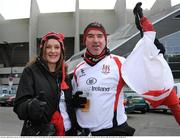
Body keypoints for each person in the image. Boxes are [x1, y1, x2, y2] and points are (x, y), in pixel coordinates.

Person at [71, 4, 180, 136]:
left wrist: (151, 44)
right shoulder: (78, 69)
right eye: (90, 36)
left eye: (100, 36)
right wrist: (73, 102)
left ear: (105, 40)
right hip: (83, 133)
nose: (96, 40)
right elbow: (74, 100)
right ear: (85, 41)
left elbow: (149, 70)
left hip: (113, 132)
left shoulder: (119, 63)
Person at [13, 32, 78, 136]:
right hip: (42, 132)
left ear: (61, 51)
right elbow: (19, 106)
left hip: (68, 131)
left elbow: (63, 105)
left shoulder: (64, 75)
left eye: (56, 47)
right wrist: (30, 106)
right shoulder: (31, 71)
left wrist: (74, 103)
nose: (53, 51)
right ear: (43, 50)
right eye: (48, 47)